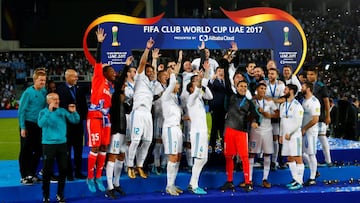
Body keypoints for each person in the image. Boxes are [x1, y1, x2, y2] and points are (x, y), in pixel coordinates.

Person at [220, 58, 262, 193]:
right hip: (229, 130)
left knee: (244, 157)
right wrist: (226, 66)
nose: (243, 88)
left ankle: (248, 182)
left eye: (245, 86)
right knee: (228, 156)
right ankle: (230, 181)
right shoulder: (231, 96)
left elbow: (256, 115)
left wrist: (255, 122)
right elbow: (227, 80)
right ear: (236, 86)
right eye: (241, 86)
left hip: (241, 132)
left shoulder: (249, 102)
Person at [86, 28, 117, 193]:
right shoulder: (98, 78)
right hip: (95, 118)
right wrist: (99, 43)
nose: (114, 72)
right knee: (95, 148)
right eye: (111, 70)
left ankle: (98, 176)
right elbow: (98, 61)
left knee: (104, 147)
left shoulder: (109, 86)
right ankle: (90, 177)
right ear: (104, 72)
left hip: (106, 120)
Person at [38, 93, 80, 203]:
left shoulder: (62, 111)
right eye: (54, 99)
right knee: (47, 171)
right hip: (48, 145)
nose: (57, 101)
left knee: (63, 170)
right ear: (48, 102)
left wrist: (74, 112)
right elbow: (40, 124)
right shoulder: (43, 112)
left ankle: (60, 194)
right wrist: (49, 111)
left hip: (62, 144)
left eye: (58, 99)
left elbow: (75, 120)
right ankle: (46, 195)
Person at [127, 37, 156, 179]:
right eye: (148, 71)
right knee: (136, 140)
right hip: (138, 112)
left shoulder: (153, 85)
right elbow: (143, 62)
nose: (150, 72)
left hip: (148, 114)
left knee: (147, 141)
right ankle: (129, 165)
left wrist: (155, 61)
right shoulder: (139, 78)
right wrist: (148, 49)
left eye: (152, 71)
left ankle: (139, 165)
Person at [104, 57, 133, 199]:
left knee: (121, 156)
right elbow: (119, 82)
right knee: (113, 156)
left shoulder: (122, 98)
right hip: (115, 131)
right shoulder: (114, 95)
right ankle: (109, 187)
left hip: (123, 131)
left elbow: (128, 110)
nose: (124, 85)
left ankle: (116, 183)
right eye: (123, 84)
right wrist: (126, 66)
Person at [56, 69, 88, 181]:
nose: (77, 78)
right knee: (67, 151)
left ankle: (78, 171)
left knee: (79, 150)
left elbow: (84, 105)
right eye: (74, 77)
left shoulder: (79, 89)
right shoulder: (60, 90)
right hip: (66, 125)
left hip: (78, 125)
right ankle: (68, 173)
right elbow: (59, 107)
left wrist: (82, 117)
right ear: (68, 77)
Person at [18, 67, 47, 185]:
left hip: (39, 125)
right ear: (34, 80)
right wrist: (23, 127)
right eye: (40, 80)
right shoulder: (28, 93)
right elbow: (21, 111)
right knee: (26, 150)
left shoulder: (44, 92)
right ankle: (24, 175)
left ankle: (32, 173)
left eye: (44, 80)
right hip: (28, 124)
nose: (43, 82)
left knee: (39, 149)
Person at [187, 71, 213, 195]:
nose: (198, 83)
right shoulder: (190, 99)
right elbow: (197, 90)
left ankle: (193, 183)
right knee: (199, 159)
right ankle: (193, 184)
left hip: (202, 133)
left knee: (204, 159)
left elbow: (210, 96)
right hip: (197, 133)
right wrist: (202, 79)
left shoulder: (200, 100)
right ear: (191, 87)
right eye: (195, 82)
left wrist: (204, 81)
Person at [248, 82, 279, 188]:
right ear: (257, 89)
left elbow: (277, 113)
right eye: (261, 88)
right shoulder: (252, 101)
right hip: (255, 130)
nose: (263, 90)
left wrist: (268, 115)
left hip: (267, 130)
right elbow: (247, 114)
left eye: (265, 89)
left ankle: (265, 179)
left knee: (267, 154)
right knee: (251, 154)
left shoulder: (269, 101)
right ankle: (249, 179)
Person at [161, 67, 183, 196]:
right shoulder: (166, 95)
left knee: (178, 157)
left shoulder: (175, 99)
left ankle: (173, 184)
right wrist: (173, 74)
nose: (178, 86)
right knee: (173, 157)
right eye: (177, 84)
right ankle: (168, 186)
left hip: (177, 129)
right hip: (169, 129)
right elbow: (172, 84)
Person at [279, 84, 304, 190]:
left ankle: (300, 181)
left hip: (295, 136)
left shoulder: (297, 105)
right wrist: (281, 134)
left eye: (286, 89)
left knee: (297, 157)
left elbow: (298, 123)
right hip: (285, 136)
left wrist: (291, 133)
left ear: (292, 91)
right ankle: (295, 179)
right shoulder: (283, 105)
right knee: (289, 158)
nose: (284, 91)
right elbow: (282, 121)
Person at [306, 67, 332, 166]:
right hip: (309, 118)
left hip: (320, 117)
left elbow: (326, 102)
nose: (309, 76)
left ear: (316, 75)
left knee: (322, 138)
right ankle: (313, 162)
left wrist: (328, 116)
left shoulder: (321, 86)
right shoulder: (306, 86)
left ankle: (328, 161)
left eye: (311, 74)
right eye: (308, 74)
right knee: (311, 140)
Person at [263, 67, 285, 170]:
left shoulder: (281, 85)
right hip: (265, 116)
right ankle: (264, 160)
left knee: (275, 138)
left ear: (277, 75)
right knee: (266, 138)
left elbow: (283, 99)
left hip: (276, 115)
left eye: (272, 74)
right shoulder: (264, 84)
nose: (270, 75)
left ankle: (274, 161)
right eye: (269, 73)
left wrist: (272, 100)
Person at [300, 82, 320, 186]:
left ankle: (312, 178)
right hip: (304, 130)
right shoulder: (303, 100)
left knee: (311, 154)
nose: (301, 88)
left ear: (308, 89)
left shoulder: (314, 102)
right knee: (303, 153)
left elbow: (315, 119)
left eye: (302, 87)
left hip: (311, 131)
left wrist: (305, 128)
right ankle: (314, 170)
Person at [207, 66, 226, 154]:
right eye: (219, 71)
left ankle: (224, 148)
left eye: (222, 71)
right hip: (215, 109)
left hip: (224, 110)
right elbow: (208, 86)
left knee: (223, 130)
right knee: (214, 129)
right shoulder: (213, 82)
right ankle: (212, 149)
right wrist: (211, 79)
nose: (221, 72)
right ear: (216, 73)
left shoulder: (227, 83)